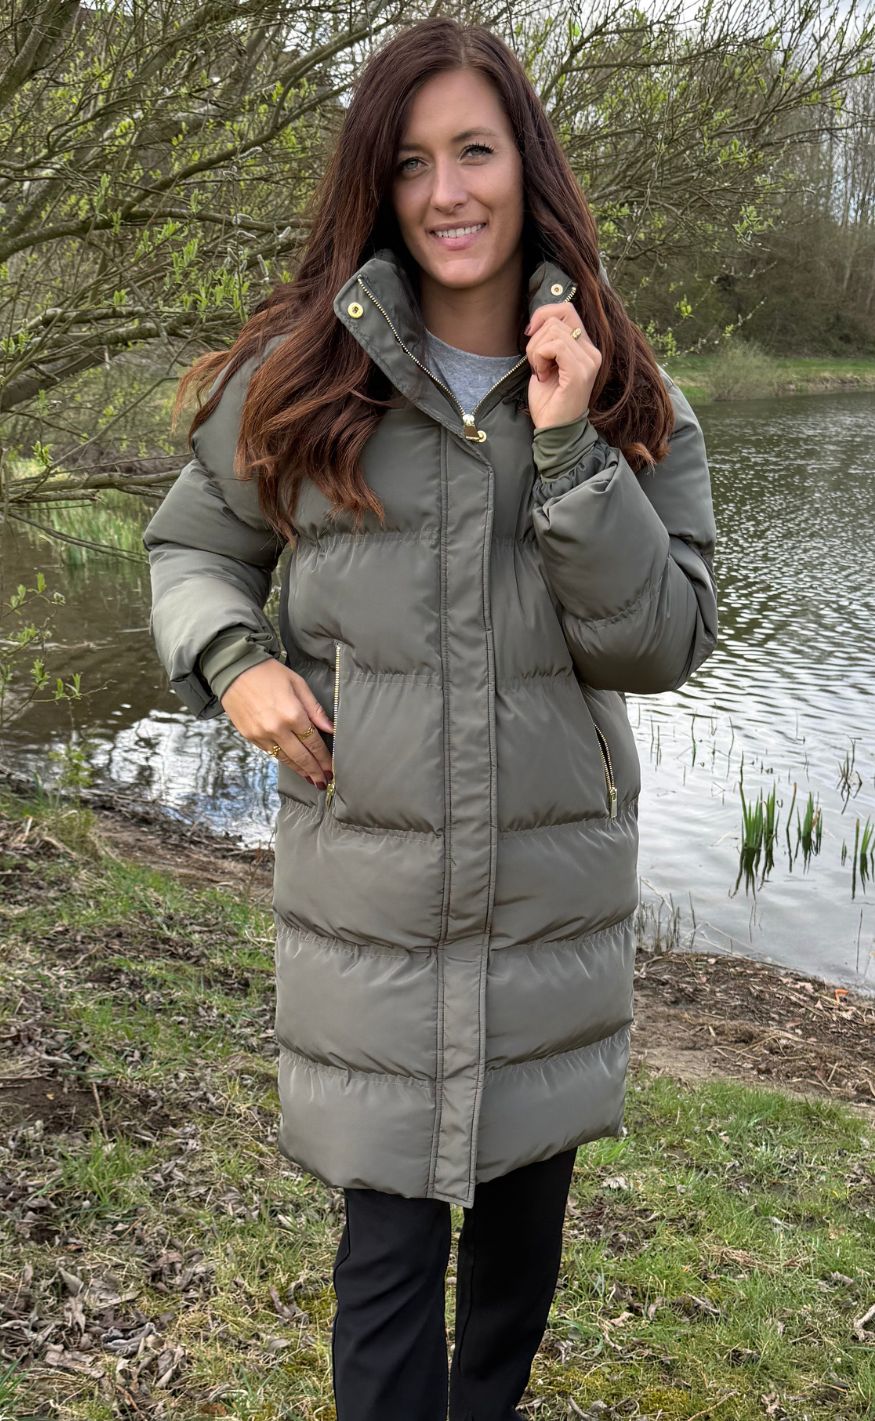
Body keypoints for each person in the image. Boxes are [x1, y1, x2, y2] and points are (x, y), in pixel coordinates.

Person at [142, 17, 719, 1421]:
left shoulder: (629, 394)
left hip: (547, 906)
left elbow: (661, 641)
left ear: (528, 166)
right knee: (387, 1268)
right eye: (412, 162)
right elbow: (191, 549)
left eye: (475, 151)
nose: (448, 192)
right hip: (374, 909)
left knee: (516, 1277)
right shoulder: (302, 377)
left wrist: (570, 448)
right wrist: (231, 660)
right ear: (377, 184)